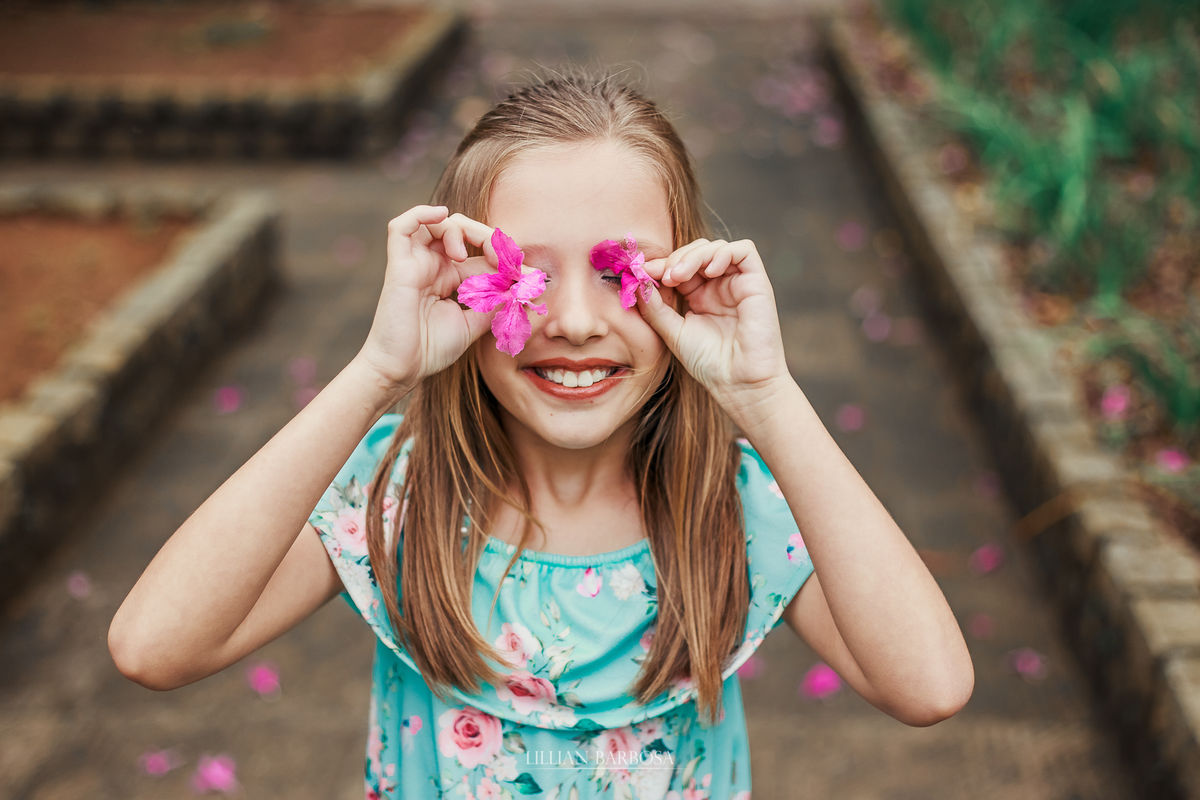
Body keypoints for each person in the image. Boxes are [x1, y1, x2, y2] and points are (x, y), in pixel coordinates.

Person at [109, 70, 974, 800]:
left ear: (683, 276)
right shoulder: (397, 495)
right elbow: (154, 646)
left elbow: (930, 686)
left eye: (616, 271)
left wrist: (768, 396)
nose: (570, 319)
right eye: (524, 272)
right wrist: (379, 369)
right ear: (460, 285)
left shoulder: (733, 502)